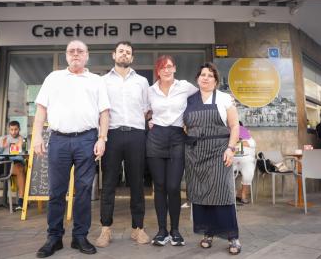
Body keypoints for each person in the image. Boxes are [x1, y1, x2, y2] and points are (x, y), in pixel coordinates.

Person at [34, 40, 110, 258]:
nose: (76, 54)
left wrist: (102, 138)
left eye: (80, 51)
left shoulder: (96, 80)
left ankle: (80, 237)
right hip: (58, 139)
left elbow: (104, 113)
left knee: (84, 191)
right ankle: (54, 237)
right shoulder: (53, 78)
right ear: (66, 55)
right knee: (56, 191)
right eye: (71, 51)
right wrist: (37, 135)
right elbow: (41, 109)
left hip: (87, 139)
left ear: (87, 56)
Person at [95, 41, 150, 248]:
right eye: (121, 52)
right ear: (113, 55)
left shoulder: (142, 81)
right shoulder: (102, 81)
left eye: (128, 53)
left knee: (137, 183)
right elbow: (100, 110)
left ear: (132, 58)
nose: (124, 55)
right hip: (112, 135)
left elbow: (146, 109)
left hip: (136, 135)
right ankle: (105, 229)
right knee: (109, 184)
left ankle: (138, 228)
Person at [183, 62, 242, 255]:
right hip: (195, 153)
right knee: (200, 194)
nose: (205, 78)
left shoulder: (225, 99)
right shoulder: (189, 100)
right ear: (197, 79)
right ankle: (207, 233)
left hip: (219, 151)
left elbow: (235, 127)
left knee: (222, 193)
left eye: (210, 75)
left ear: (215, 80)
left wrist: (230, 148)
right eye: (202, 75)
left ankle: (232, 236)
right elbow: (186, 126)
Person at [146, 55, 198, 247]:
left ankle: (175, 230)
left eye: (169, 67)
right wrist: (148, 120)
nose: (166, 70)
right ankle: (162, 231)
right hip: (156, 138)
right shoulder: (150, 91)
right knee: (159, 186)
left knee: (174, 187)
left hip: (177, 138)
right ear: (157, 71)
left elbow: (203, 96)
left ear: (175, 68)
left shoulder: (185, 86)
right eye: (162, 67)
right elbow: (144, 111)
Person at [233, 121, 256, 205]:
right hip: (232, 161)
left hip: (246, 161)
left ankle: (243, 194)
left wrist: (237, 142)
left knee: (249, 173)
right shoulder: (229, 136)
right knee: (224, 172)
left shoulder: (248, 138)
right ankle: (232, 194)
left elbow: (252, 144)